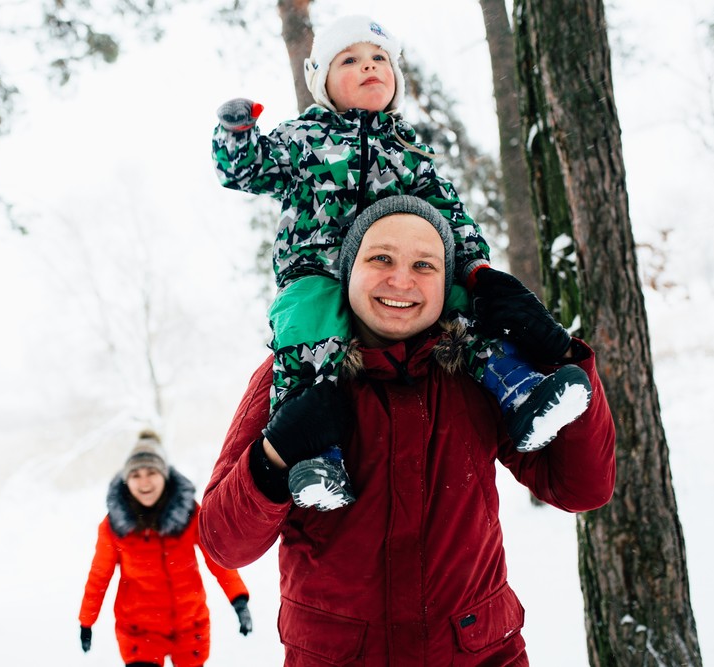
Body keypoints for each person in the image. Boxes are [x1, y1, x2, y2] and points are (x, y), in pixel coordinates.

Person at [198, 195, 616, 665]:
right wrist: (274, 453)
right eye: (381, 258)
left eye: (424, 264)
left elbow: (581, 488)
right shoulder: (289, 377)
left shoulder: (480, 372)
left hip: (477, 654)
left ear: (446, 281)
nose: (401, 280)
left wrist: (559, 355)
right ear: (349, 271)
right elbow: (223, 543)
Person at [212, 15, 592, 512]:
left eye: (379, 59)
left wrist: (474, 269)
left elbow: (448, 209)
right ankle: (316, 456)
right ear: (321, 82)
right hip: (318, 267)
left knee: (463, 307)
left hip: (400, 269)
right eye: (350, 60)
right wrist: (237, 132)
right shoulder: (304, 137)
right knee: (304, 330)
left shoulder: (407, 146)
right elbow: (249, 170)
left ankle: (517, 388)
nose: (369, 66)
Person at [77, 430, 253, 666]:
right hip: (140, 632)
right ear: (127, 480)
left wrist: (238, 599)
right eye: (136, 475)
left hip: (190, 627)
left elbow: (217, 559)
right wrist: (86, 621)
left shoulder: (189, 513)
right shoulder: (114, 526)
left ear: (164, 475)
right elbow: (99, 576)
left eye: (151, 472)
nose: (144, 482)